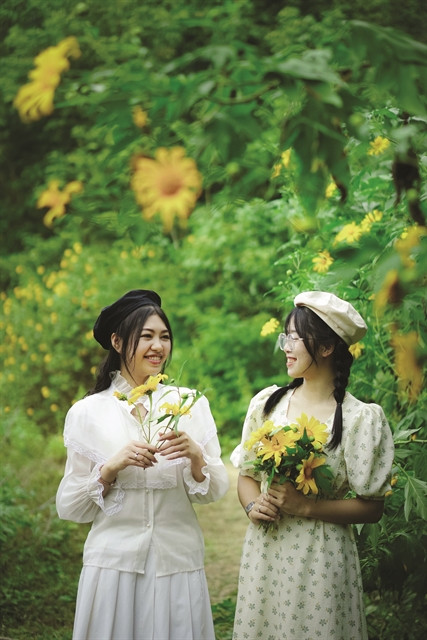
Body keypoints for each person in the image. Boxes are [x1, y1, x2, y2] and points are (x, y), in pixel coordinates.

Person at [56, 289, 229, 640]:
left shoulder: (189, 404)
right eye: (147, 336)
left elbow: (213, 491)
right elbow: (70, 507)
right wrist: (109, 469)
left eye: (164, 337)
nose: (158, 346)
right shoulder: (87, 413)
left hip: (177, 563)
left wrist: (196, 456)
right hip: (113, 566)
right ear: (117, 342)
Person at [231, 291, 394, 640]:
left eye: (294, 338)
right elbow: (246, 476)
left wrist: (306, 506)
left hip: (321, 557)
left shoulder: (358, 418)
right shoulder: (268, 404)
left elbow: (372, 508)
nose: (286, 347)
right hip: (267, 551)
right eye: (285, 337)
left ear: (326, 347)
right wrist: (252, 505)